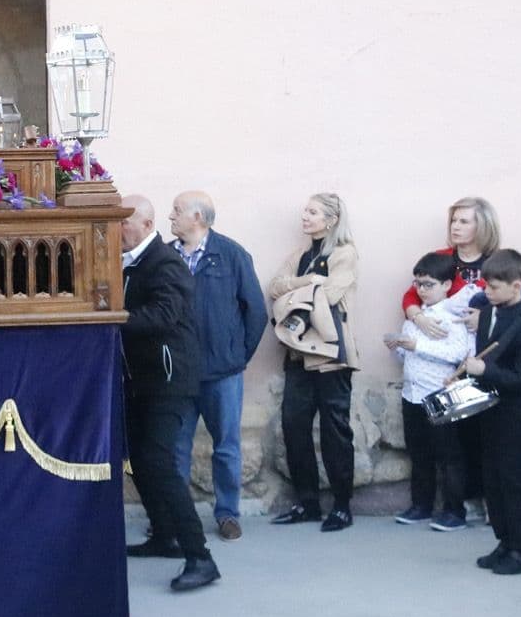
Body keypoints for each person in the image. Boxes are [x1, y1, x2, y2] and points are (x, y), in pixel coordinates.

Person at [118, 195, 218, 592]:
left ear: (145, 223)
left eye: (122, 221)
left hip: (169, 379)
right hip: (142, 379)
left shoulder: (165, 262)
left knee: (158, 463)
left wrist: (112, 319)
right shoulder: (132, 261)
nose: (116, 228)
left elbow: (163, 315)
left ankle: (201, 555)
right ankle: (165, 536)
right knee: (141, 462)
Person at [166, 191, 265, 542]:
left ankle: (227, 513)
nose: (171, 216)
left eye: (177, 211)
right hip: (178, 372)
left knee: (226, 446)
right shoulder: (167, 255)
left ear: (197, 217)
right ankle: (176, 518)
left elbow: (256, 311)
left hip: (222, 373)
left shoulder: (231, 255)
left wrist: (237, 358)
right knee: (176, 447)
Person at [399, 197, 500, 517]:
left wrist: (482, 320)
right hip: (439, 367)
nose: (456, 227)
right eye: (454, 220)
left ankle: (477, 503)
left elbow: (509, 300)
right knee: (439, 442)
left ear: (482, 225)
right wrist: (417, 317)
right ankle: (438, 504)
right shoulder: (441, 259)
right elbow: (412, 294)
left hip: (481, 355)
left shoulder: (496, 262)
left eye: (464, 221)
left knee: (475, 437)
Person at [268, 193, 360, 531]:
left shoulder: (344, 253)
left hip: (332, 357)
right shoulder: (301, 256)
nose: (304, 217)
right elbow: (275, 287)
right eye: (304, 210)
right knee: (294, 429)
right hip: (297, 355)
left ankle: (341, 505)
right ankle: (307, 503)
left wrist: (297, 295)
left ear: (331, 219)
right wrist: (307, 282)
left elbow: (331, 295)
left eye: (312, 212)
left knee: (336, 432)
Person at [465, 251, 521, 576]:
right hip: (490, 414)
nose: (487, 292)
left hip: (517, 418)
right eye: (486, 285)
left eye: (495, 287)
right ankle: (506, 541)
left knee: (517, 484)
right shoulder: (487, 314)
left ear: (517, 285)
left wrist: (485, 370)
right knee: (493, 482)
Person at [385, 253, 478, 531]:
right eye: (418, 284)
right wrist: (400, 348)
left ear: (447, 285)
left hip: (440, 395)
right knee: (419, 453)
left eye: (428, 284)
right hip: (412, 394)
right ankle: (421, 505)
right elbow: (407, 356)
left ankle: (454, 510)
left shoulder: (452, 316)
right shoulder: (415, 317)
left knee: (449, 456)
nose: (421, 290)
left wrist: (416, 347)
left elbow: (457, 353)